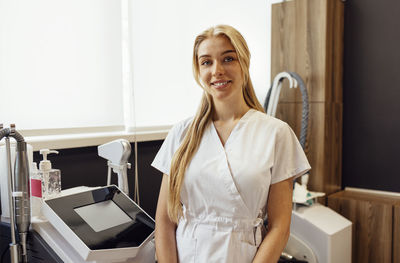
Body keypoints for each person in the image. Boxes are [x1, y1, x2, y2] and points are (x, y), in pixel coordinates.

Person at [151, 25, 311, 263]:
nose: (217, 70)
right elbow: (164, 223)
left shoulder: (276, 134)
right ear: (198, 70)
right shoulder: (181, 134)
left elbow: (280, 227)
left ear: (244, 64)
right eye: (206, 62)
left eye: (228, 59)